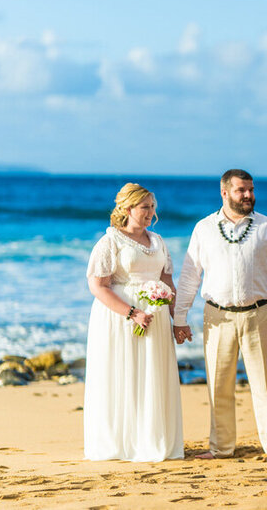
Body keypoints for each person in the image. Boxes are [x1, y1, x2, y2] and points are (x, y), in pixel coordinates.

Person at [173, 169, 267, 461]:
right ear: (225, 192)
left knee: (265, 385)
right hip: (217, 317)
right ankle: (221, 447)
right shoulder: (203, 228)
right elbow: (190, 276)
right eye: (242, 190)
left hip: (259, 315)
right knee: (218, 385)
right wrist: (180, 318)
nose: (249, 195)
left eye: (251, 190)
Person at [84, 183, 184, 462]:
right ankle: (122, 443)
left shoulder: (159, 241)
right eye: (145, 207)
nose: (151, 212)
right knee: (123, 374)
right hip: (120, 319)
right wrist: (132, 313)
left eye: (153, 207)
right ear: (127, 209)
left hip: (157, 315)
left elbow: (167, 281)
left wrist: (179, 320)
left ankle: (151, 438)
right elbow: (98, 286)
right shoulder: (110, 241)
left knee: (153, 374)